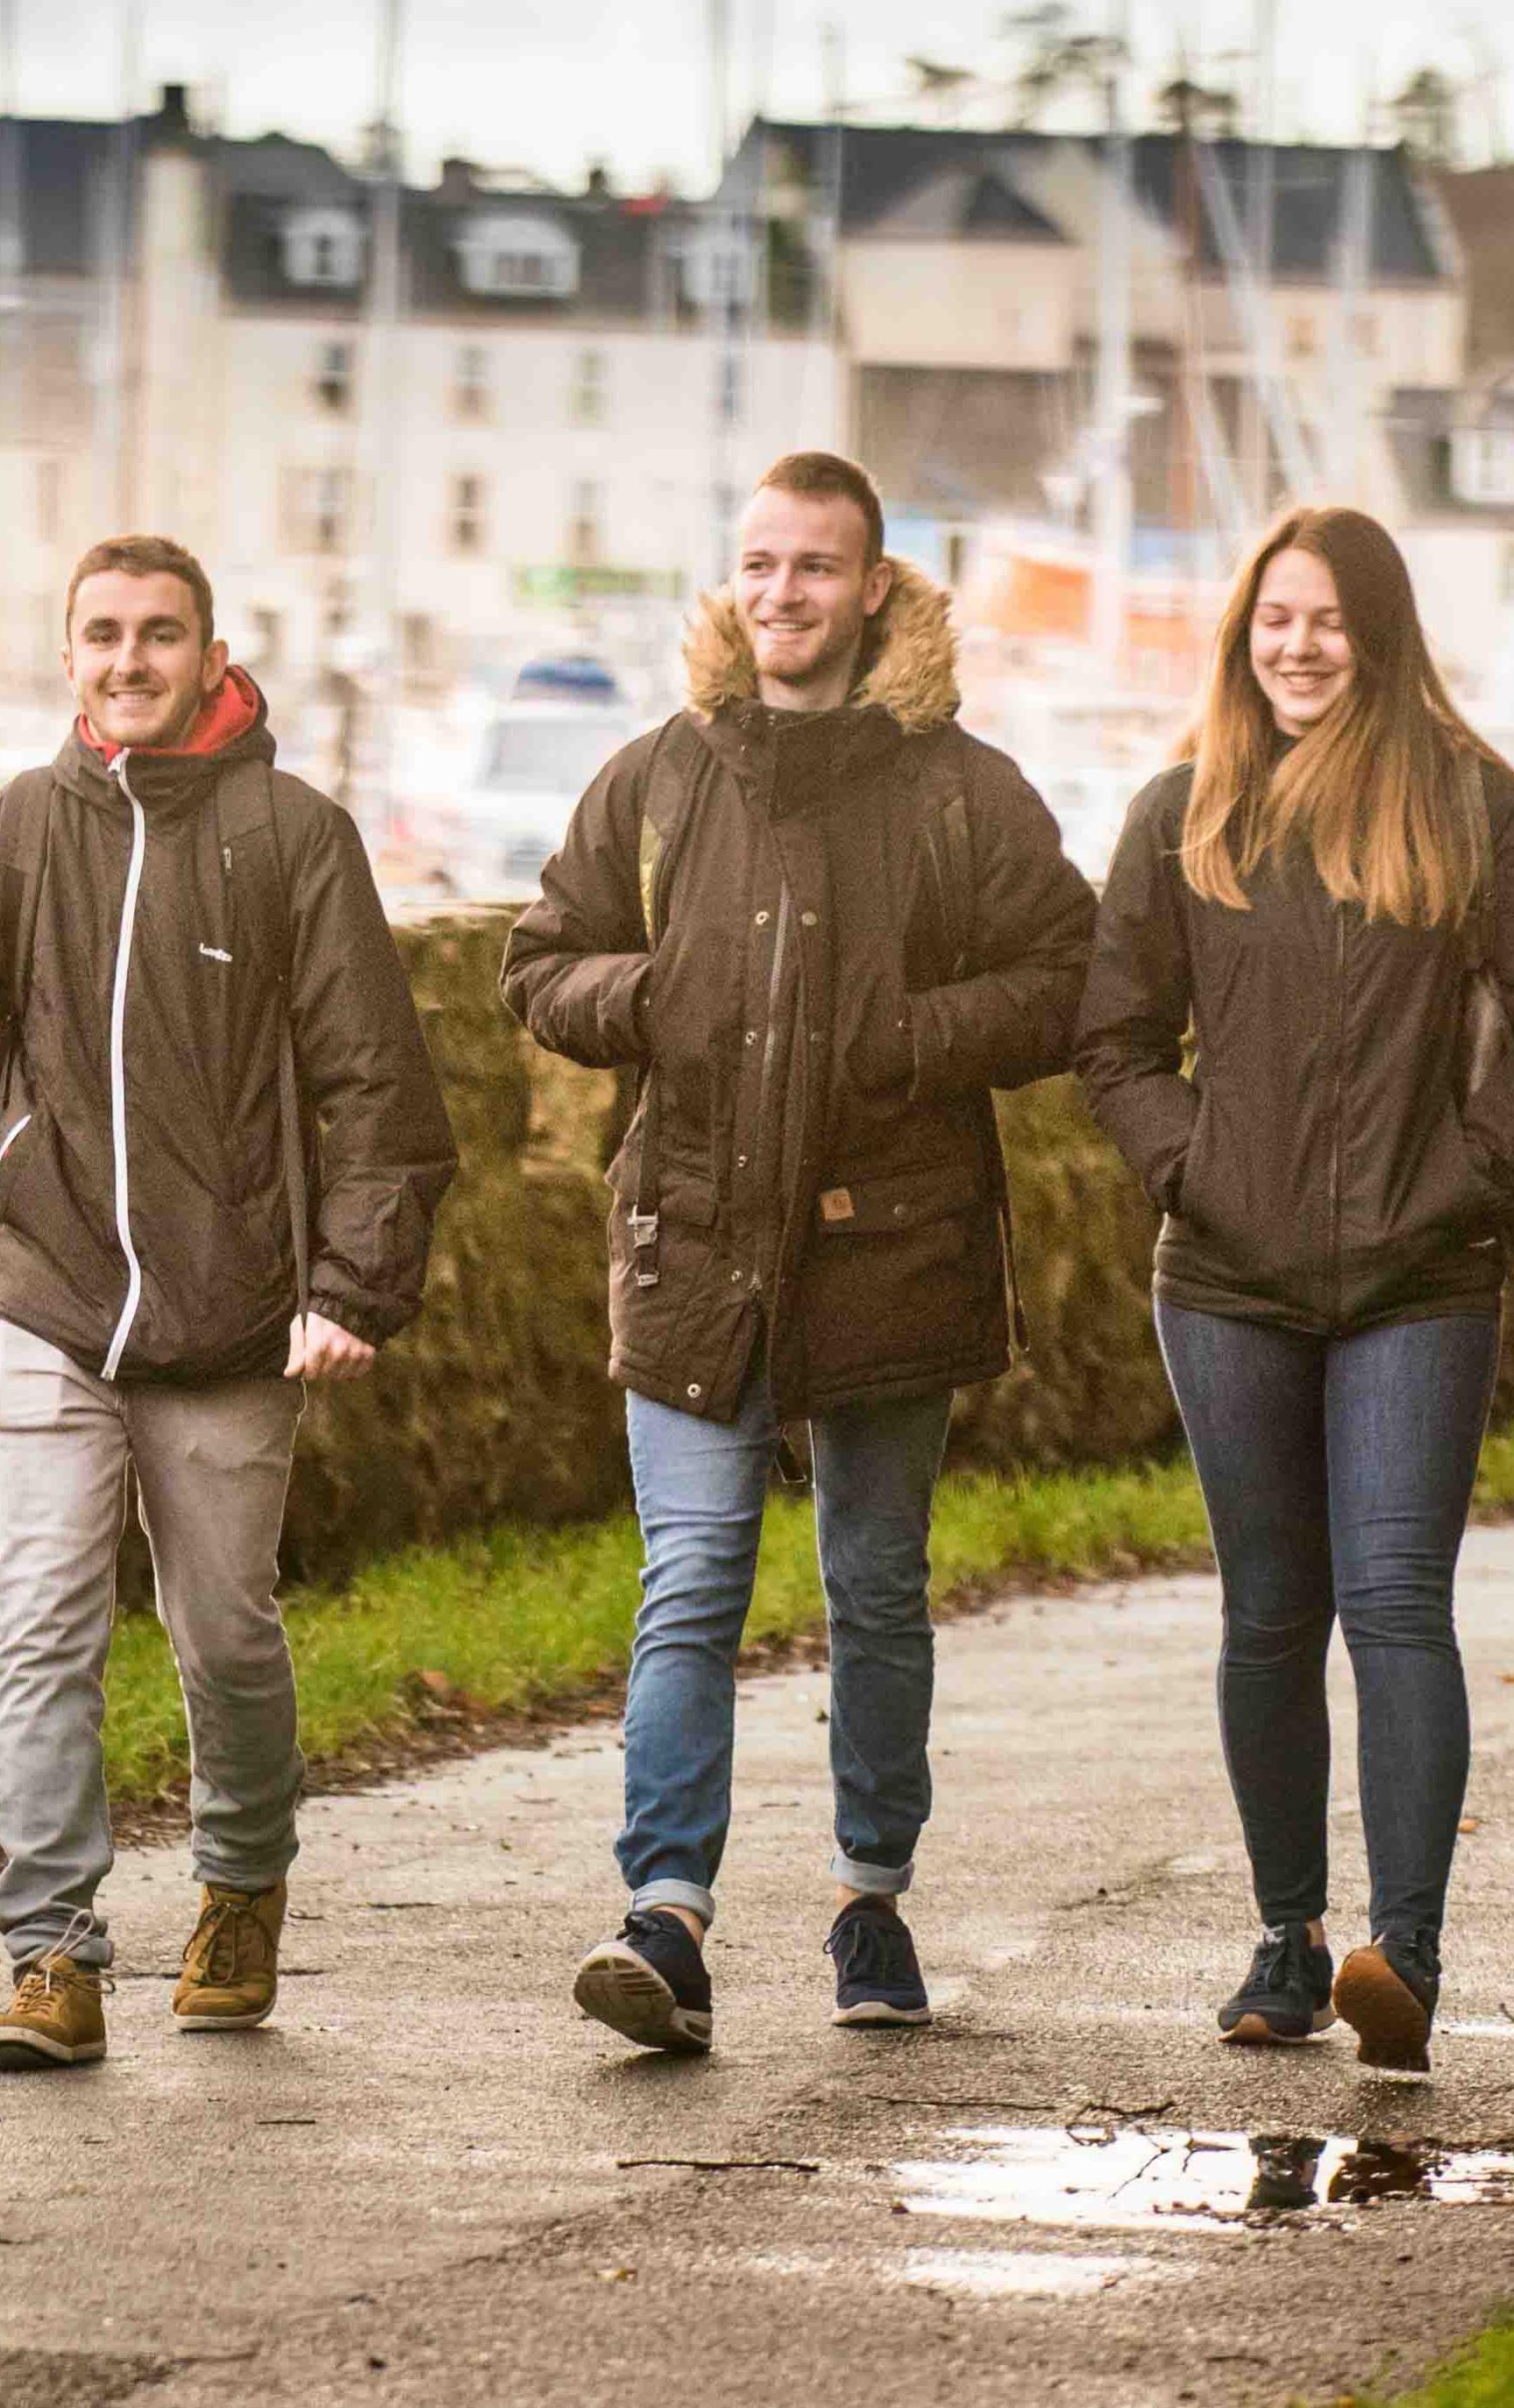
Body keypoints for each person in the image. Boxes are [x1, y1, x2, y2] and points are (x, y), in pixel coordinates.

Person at [501, 452, 1095, 2053]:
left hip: (889, 1244)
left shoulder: (960, 788)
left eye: (816, 568)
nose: (783, 595)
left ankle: (868, 1896)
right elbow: (541, 961)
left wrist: (909, 1038)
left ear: (875, 589)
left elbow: (1070, 974)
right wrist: (645, 1002)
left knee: (875, 1589)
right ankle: (665, 1920)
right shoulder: (657, 776)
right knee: (689, 1579)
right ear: (733, 582)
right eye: (760, 565)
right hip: (691, 1235)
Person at [0, 534, 457, 2071]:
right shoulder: (9, 836)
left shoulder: (292, 835)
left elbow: (378, 1095)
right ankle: (52, 1952)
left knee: (224, 1633)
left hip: (231, 1318)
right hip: (39, 1298)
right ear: (65, 657)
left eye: (158, 635)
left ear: (211, 656)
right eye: (101, 636)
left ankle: (239, 1885)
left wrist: (351, 1285)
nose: (128, 660)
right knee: (44, 1625)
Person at [1075, 504, 1514, 2072]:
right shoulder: (1181, 815)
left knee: (1392, 1602)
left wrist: (1459, 1177)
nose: (1297, 644)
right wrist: (1192, 1166)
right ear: (1242, 638)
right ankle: (1284, 1936)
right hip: (1225, 1282)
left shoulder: (1465, 805)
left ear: (1377, 637)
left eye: (1326, 619)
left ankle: (1406, 1952)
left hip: (1421, 1278)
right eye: (1273, 619)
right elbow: (1111, 1042)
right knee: (1268, 1613)